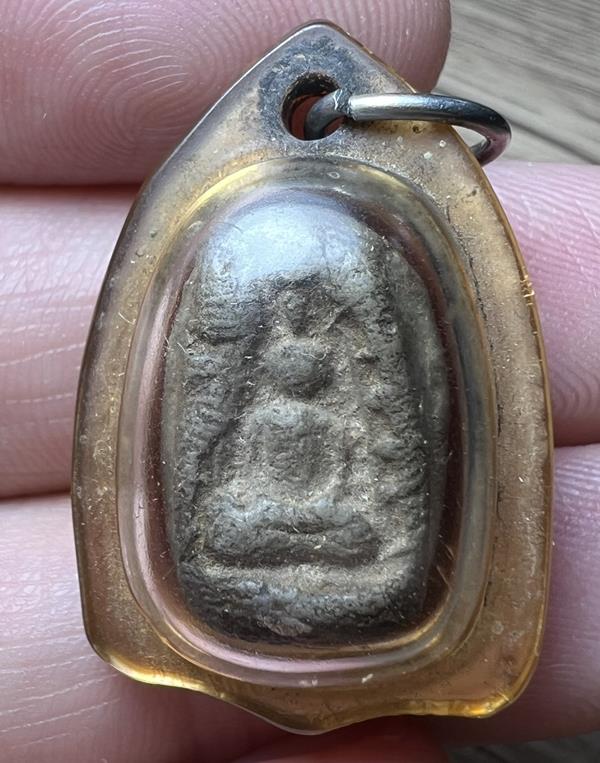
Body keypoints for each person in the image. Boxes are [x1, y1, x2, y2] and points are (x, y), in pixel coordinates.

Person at [0, 1, 598, 760]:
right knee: (229, 528)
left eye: (318, 346)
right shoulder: (258, 415)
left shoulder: (334, 414)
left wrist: (334, 517)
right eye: (283, 345)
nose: (300, 361)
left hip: (337, 531)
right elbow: (223, 485)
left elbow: (370, 492)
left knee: (350, 535)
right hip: (255, 532)